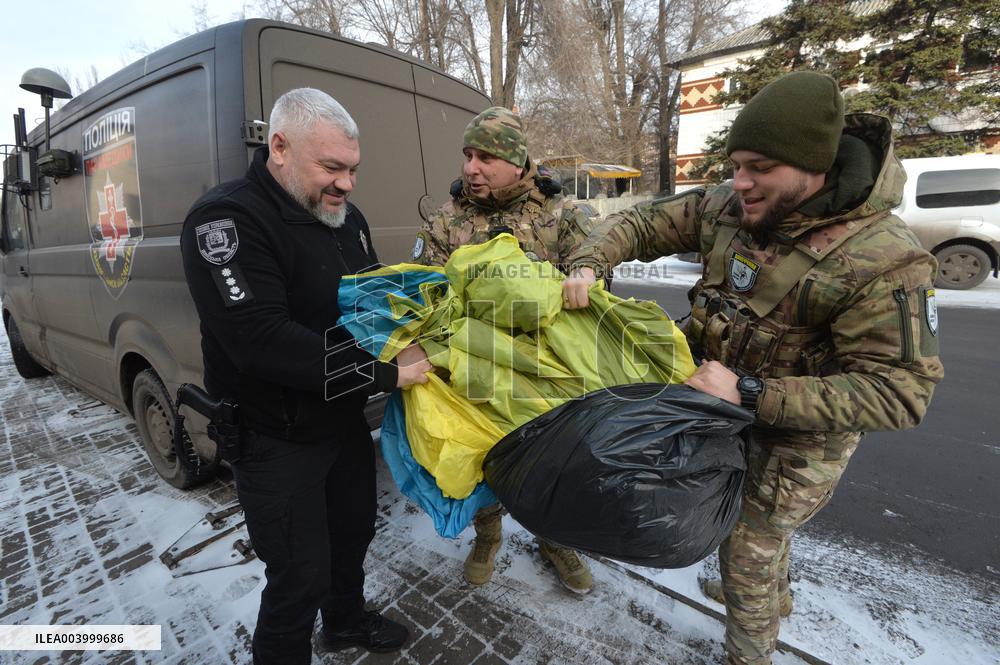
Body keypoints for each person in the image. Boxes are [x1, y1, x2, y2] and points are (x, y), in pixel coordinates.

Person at [561, 71, 944, 664]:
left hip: (798, 438)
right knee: (754, 543)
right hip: (719, 406)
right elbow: (641, 223)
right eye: (736, 165)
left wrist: (748, 391)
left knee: (744, 553)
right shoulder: (730, 205)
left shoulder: (883, 259)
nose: (740, 182)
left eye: (759, 167)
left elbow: (899, 392)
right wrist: (589, 263)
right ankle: (774, 594)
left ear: (815, 165)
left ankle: (750, 652)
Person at [180, 88, 432, 665]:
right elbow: (261, 341)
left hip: (338, 418)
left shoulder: (345, 217)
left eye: (353, 169)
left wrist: (411, 330)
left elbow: (370, 300)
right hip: (273, 435)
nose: (347, 183)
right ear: (280, 147)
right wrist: (382, 372)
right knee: (299, 573)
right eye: (332, 168)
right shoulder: (226, 220)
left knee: (353, 534)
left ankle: (343, 623)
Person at [412, 106, 599, 595]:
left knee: (551, 462)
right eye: (468, 155)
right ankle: (488, 535)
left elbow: (595, 278)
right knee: (486, 456)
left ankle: (554, 539)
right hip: (475, 366)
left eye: (486, 157)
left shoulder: (560, 216)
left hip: (544, 371)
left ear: (517, 162)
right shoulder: (448, 221)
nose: (471, 168)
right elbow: (425, 293)